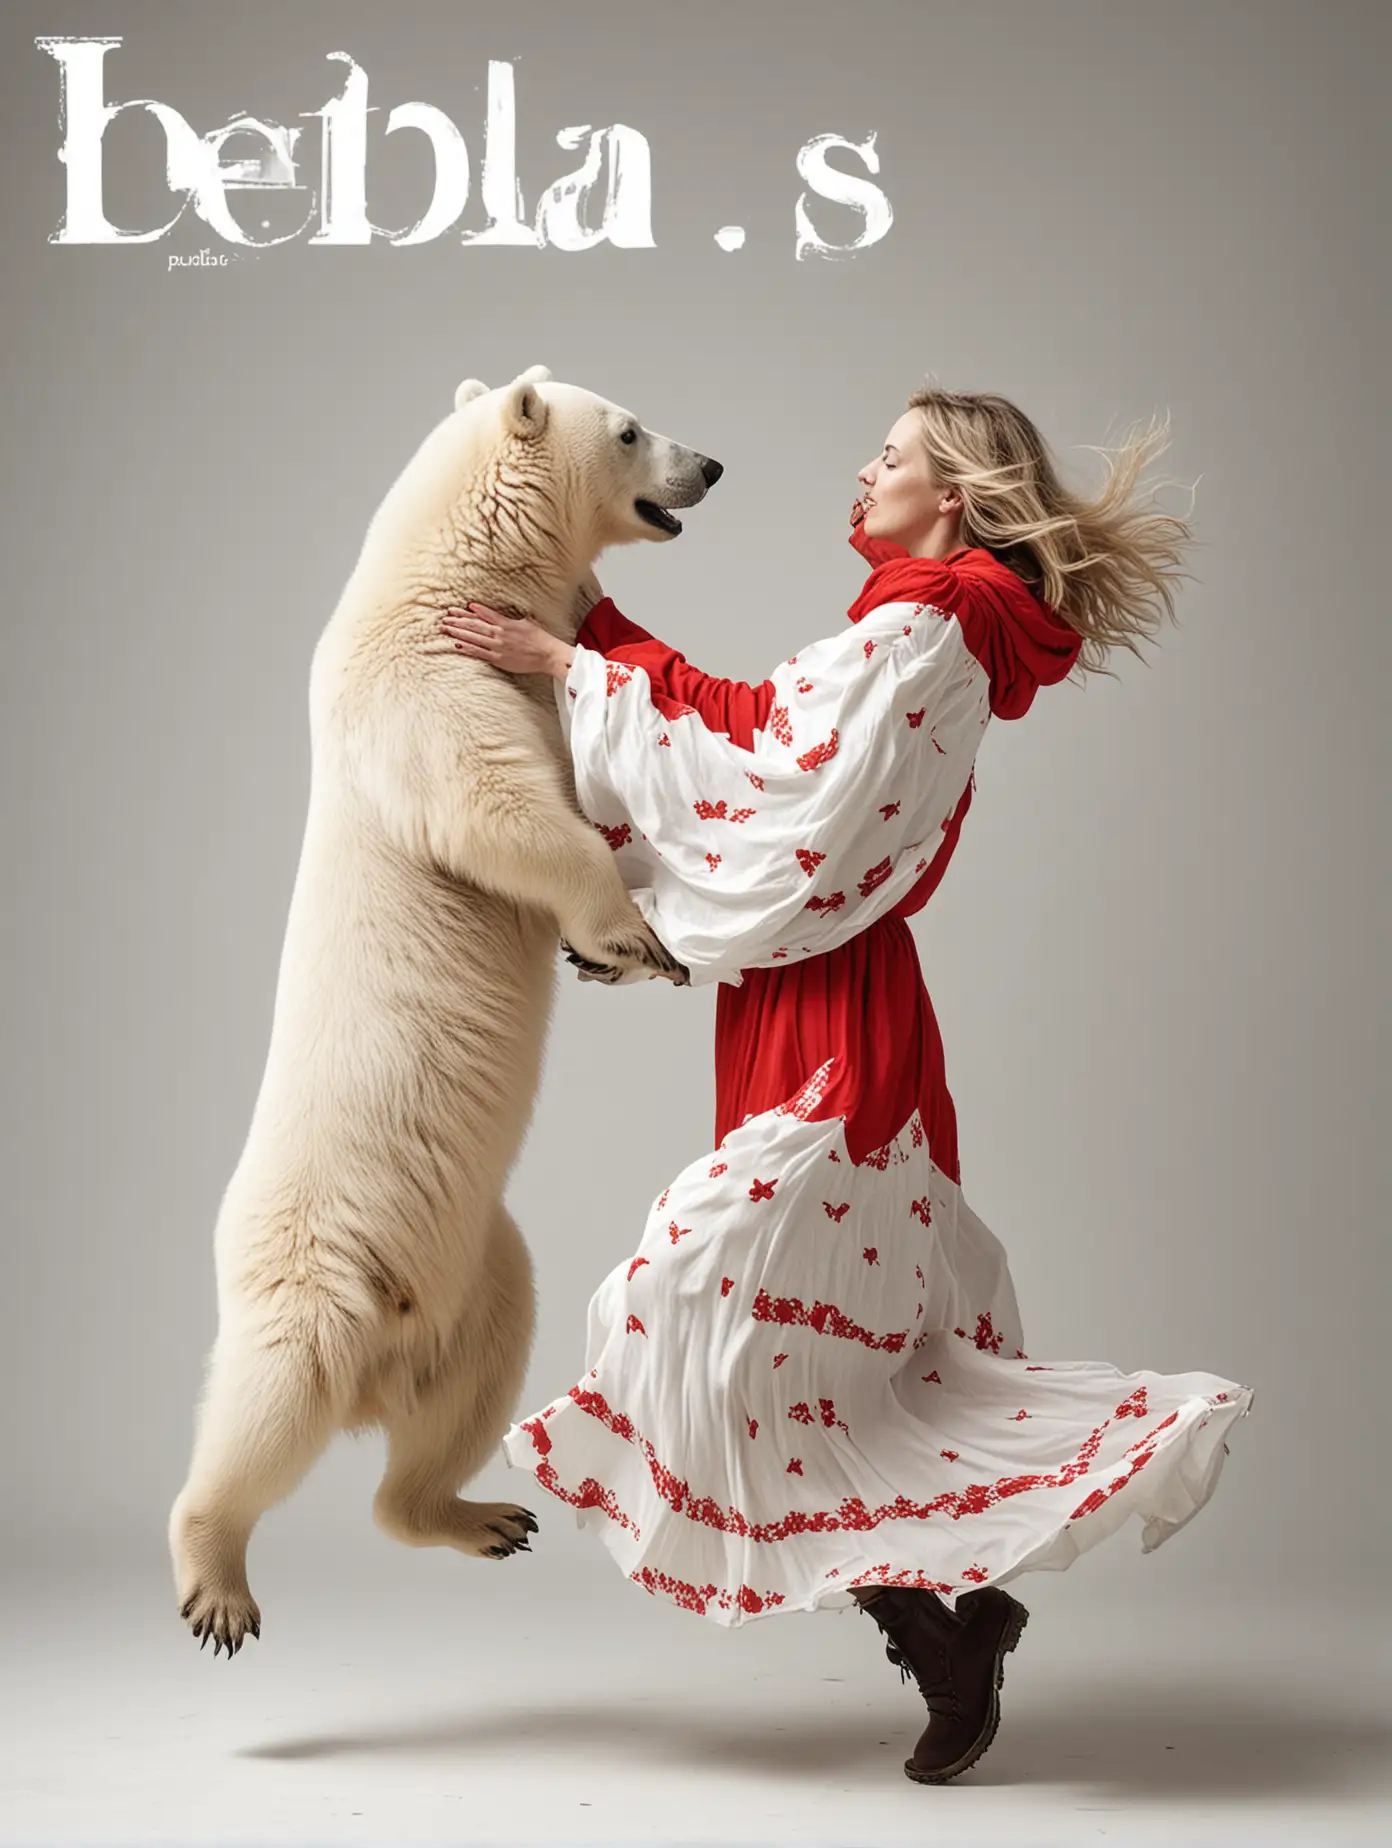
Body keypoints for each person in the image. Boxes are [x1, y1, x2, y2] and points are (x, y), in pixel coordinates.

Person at [435, 386, 1253, 1786]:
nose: (861, 470)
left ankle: (944, 1635)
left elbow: (781, 794)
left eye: (892, 456)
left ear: (954, 496)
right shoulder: (924, 618)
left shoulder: (928, 617)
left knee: (703, 1310)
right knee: (807, 1357)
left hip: (837, 1026)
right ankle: (954, 1614)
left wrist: (575, 663)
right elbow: (764, 735)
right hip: (811, 1000)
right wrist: (589, 629)